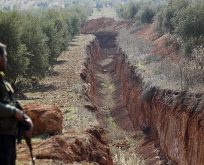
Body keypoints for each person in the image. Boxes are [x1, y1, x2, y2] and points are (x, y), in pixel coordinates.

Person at [0, 43, 33, 165]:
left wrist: (24, 118)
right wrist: (15, 111)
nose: (6, 60)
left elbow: (7, 102)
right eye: (5, 56)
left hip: (7, 137)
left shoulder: (3, 81)